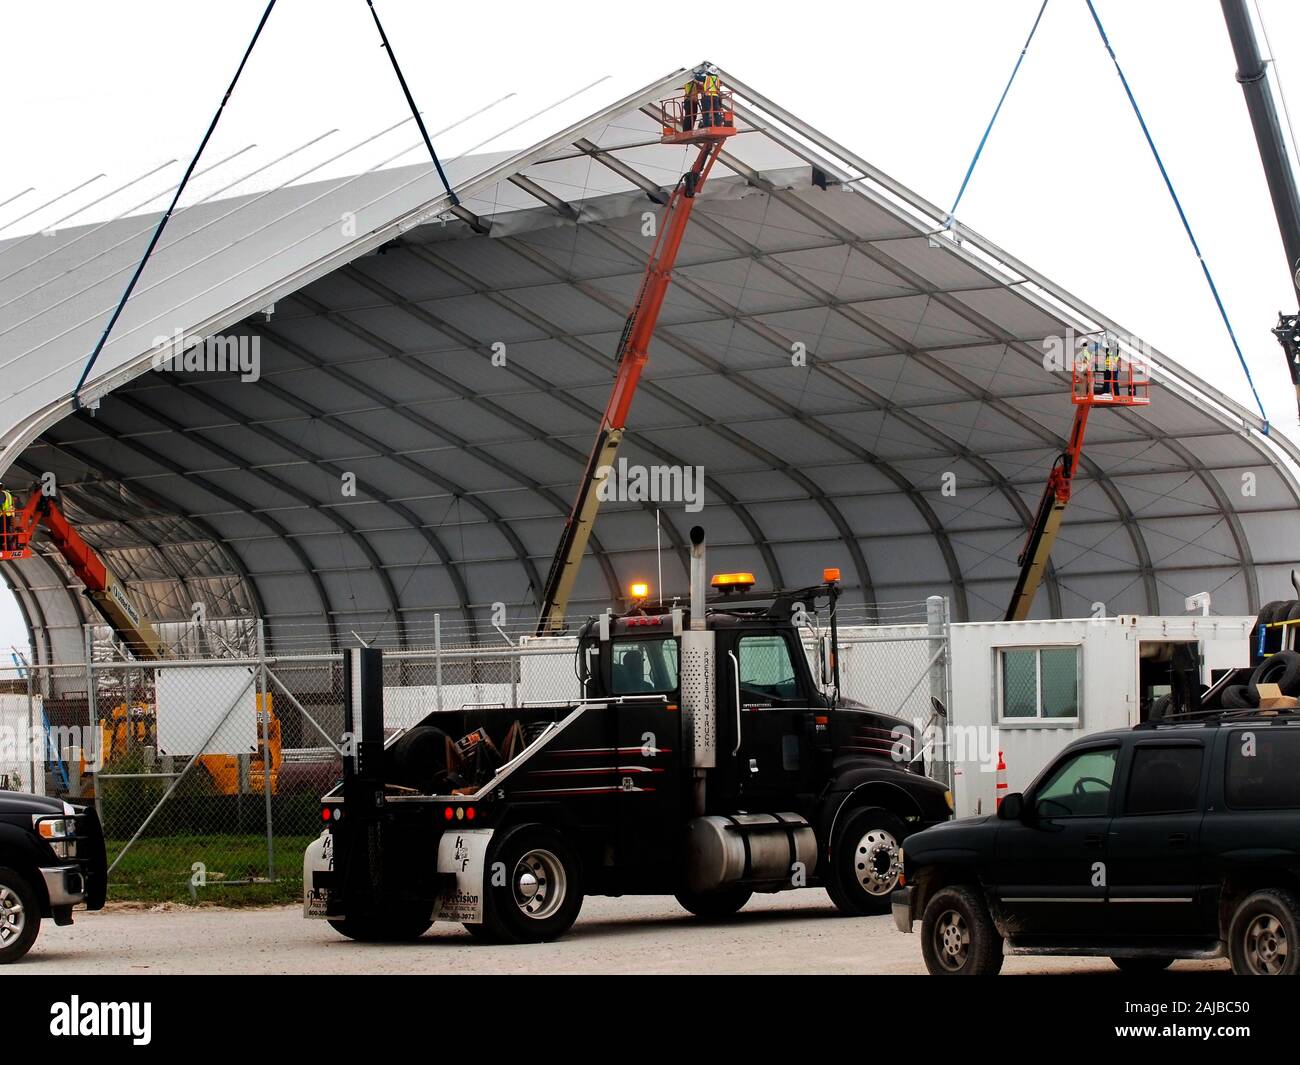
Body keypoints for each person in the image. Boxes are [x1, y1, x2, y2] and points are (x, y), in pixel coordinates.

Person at [0, 483, 14, 553]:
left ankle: (7, 548)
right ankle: (7, 547)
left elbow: (0, 503)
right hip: (8, 515)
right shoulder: (7, 494)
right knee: (5, 531)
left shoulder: (1, 494)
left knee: (2, 531)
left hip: (4, 516)